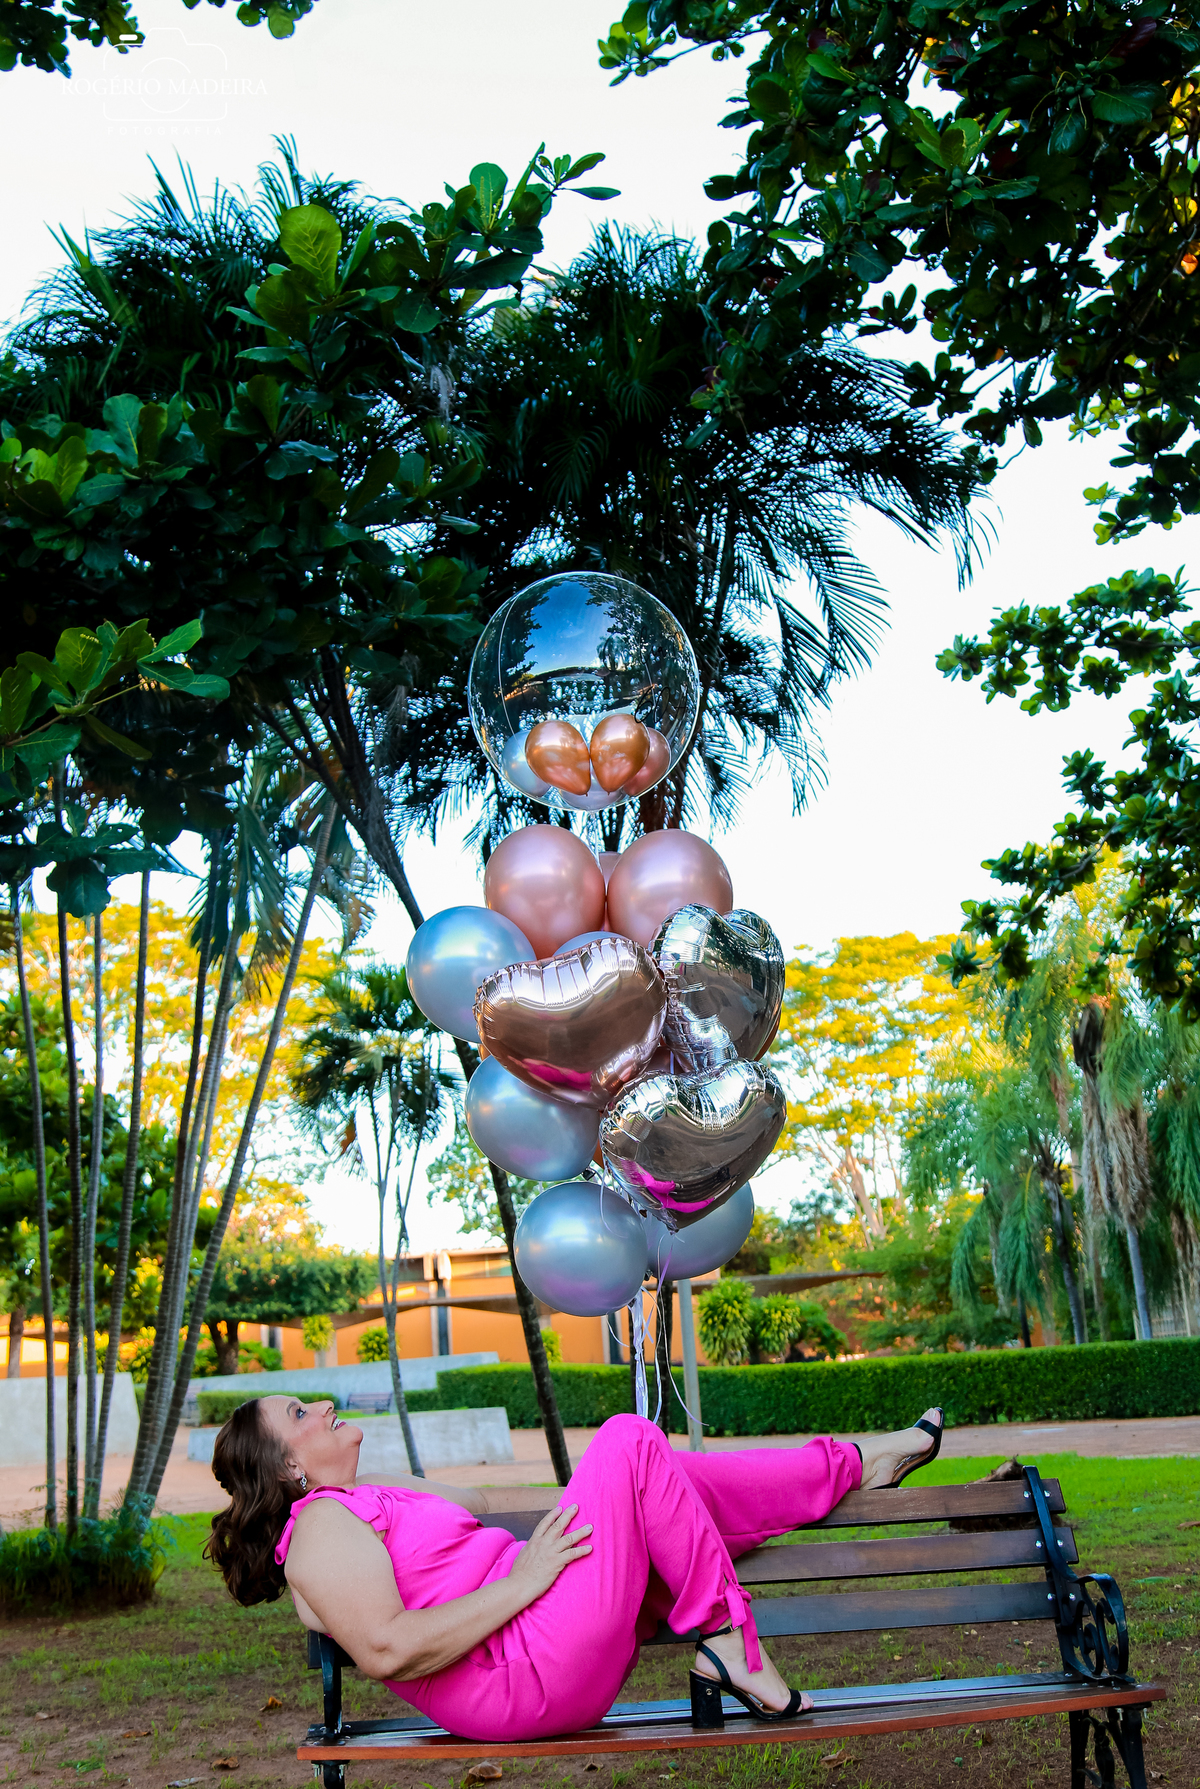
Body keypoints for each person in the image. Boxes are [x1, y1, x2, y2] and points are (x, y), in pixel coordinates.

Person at [205, 1400, 943, 1743]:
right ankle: (728, 1641)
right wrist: (523, 1581)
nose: (324, 1405)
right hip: (524, 1668)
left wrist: (360, 1476)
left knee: (670, 1475)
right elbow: (387, 1648)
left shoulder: (353, 1504)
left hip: (546, 1633)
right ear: (288, 1465)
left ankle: (859, 1462)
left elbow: (480, 1502)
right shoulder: (317, 1532)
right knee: (627, 1438)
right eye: (300, 1413)